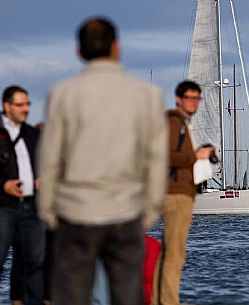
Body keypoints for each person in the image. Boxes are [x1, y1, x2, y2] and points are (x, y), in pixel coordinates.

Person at [38, 16, 167, 305]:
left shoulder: (62, 94)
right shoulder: (147, 95)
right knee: (127, 297)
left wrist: (48, 212)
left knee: (72, 296)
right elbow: (157, 161)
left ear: (79, 52)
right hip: (126, 211)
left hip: (75, 213)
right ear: (117, 48)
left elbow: (49, 160)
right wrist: (149, 213)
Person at [153, 80, 214, 305]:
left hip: (180, 192)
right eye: (190, 98)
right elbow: (166, 156)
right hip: (176, 194)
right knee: (176, 254)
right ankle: (169, 301)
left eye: (197, 98)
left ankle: (158, 299)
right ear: (179, 99)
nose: (194, 102)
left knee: (169, 251)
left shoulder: (180, 124)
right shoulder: (174, 123)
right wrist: (195, 156)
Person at [0, 85, 44, 305]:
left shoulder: (32, 134)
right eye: (20, 105)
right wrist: (4, 185)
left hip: (31, 205)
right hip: (4, 206)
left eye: (28, 104)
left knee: (34, 264)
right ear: (6, 106)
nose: (26, 109)